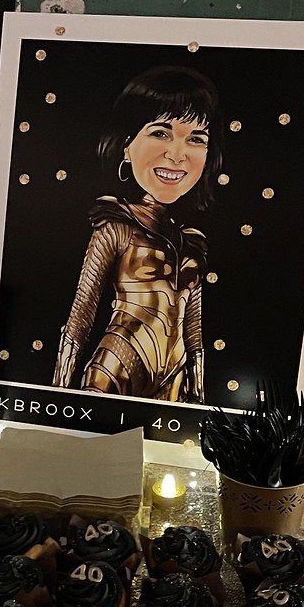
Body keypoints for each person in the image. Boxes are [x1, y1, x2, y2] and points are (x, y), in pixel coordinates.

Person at [52, 65, 225, 402]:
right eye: (160, 133)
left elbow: (193, 332)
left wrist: (199, 399)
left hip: (174, 377)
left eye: (196, 139)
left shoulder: (192, 242)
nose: (177, 154)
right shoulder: (115, 225)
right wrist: (58, 395)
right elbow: (81, 315)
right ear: (126, 146)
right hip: (116, 367)